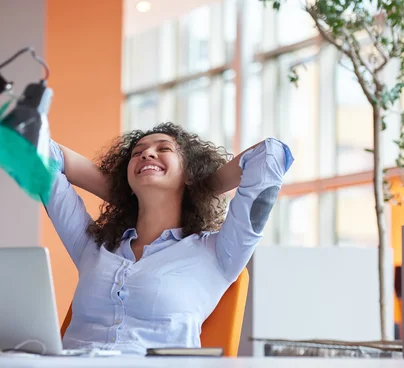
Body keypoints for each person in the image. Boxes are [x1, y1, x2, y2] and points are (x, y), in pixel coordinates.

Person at [43, 122, 293, 354]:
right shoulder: (94, 248)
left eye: (164, 149)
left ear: (189, 171)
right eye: (137, 153)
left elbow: (270, 155)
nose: (147, 154)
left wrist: (198, 188)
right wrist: (124, 193)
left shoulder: (219, 252)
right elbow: (42, 154)